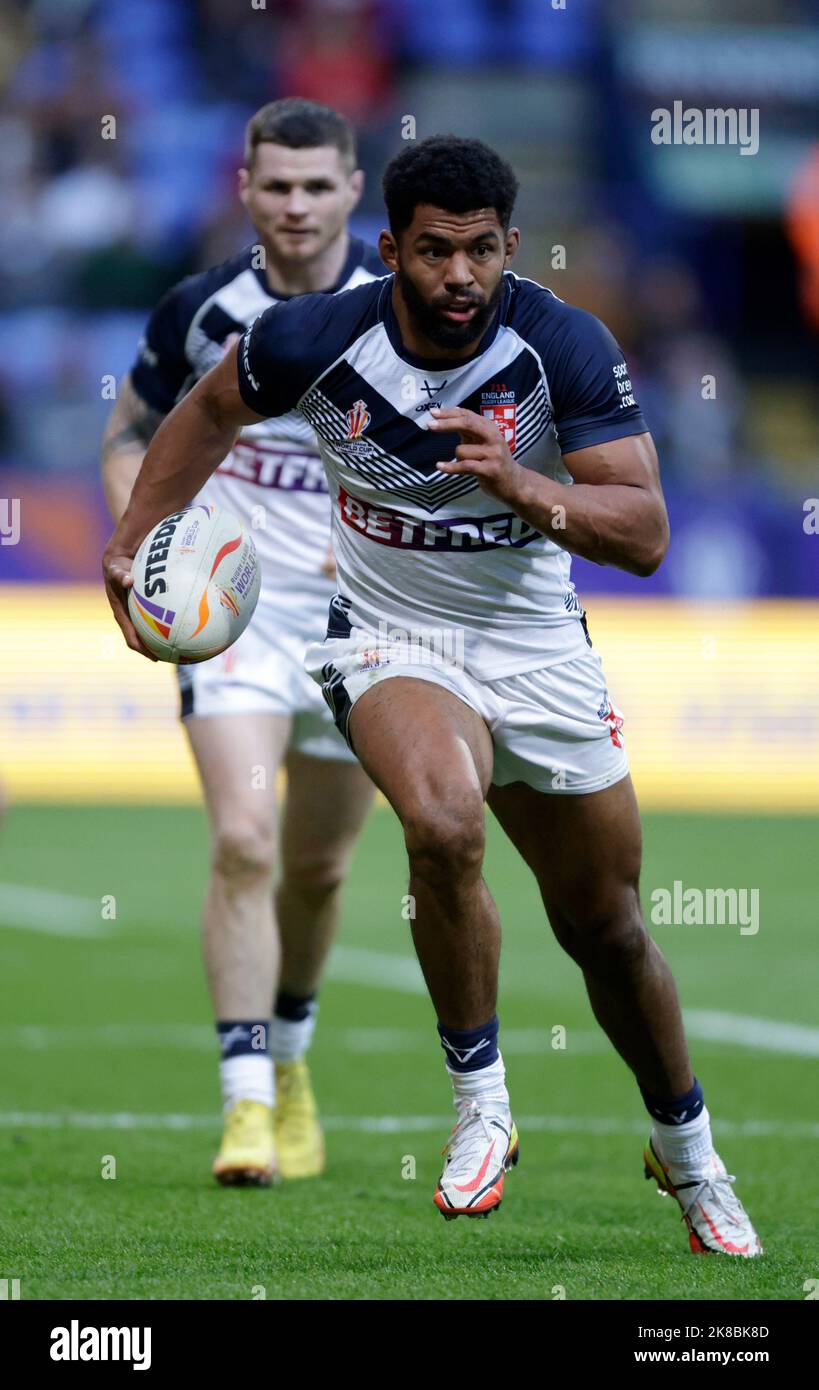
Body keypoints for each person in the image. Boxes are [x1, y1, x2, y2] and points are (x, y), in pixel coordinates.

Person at [103, 134, 762, 1255]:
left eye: (481, 252)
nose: (461, 276)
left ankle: (687, 1152)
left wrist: (521, 481)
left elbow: (645, 533)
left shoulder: (563, 345)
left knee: (605, 926)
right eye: (435, 253)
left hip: (537, 643)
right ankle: (482, 1106)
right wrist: (130, 547)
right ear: (390, 249)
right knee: (442, 822)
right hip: (388, 636)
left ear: (510, 245)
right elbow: (205, 411)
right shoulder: (313, 338)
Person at [101, 98, 379, 1186]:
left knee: (317, 865)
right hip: (235, 621)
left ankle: (295, 1060)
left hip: (365, 622)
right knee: (246, 841)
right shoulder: (201, 310)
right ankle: (248, 1104)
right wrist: (138, 544)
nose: (297, 205)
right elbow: (130, 428)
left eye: (319, 185)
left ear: (355, 190)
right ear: (246, 190)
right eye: (278, 185)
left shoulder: (399, 308)